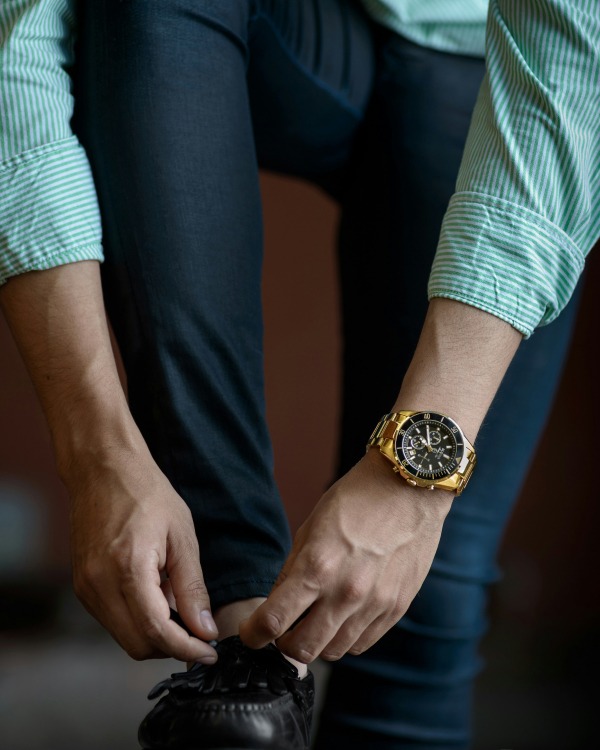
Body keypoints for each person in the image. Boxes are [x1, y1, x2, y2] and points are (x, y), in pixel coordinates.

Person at [0, 0, 598, 748]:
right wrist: (97, 456)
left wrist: (409, 488)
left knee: (416, 616)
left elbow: (568, 72)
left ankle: (267, 660)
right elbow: (14, 56)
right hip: (279, 30)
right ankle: (238, 623)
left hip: (498, 68)